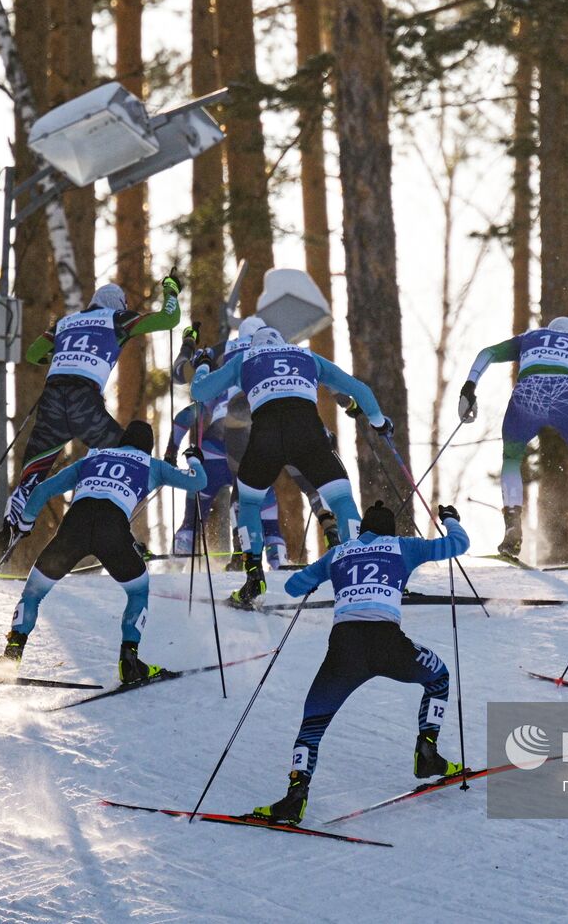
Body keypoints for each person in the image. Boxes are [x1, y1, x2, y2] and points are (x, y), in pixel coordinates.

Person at [246, 501, 470, 823]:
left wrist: (316, 578)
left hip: (344, 649)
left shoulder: (339, 553)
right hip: (389, 645)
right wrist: (450, 519)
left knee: (312, 723)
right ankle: (428, 751)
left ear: (362, 528)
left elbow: (293, 587)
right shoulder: (402, 546)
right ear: (389, 530)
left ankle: (296, 795)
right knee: (438, 677)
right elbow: (458, 544)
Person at [0, 421, 208, 683]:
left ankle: (11, 657)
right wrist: (194, 459)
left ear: (122, 442)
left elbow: (42, 490)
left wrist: (25, 524)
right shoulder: (152, 464)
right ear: (148, 447)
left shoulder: (95, 456)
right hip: (111, 530)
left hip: (74, 527)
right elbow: (198, 482)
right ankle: (129, 661)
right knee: (137, 590)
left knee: (33, 592)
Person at [191, 326, 389, 608]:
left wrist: (201, 365)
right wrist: (379, 421)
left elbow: (199, 391)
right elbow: (360, 390)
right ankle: (358, 568)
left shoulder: (245, 358)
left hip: (266, 435)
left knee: (248, 501)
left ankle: (253, 574)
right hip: (307, 432)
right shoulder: (306, 355)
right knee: (341, 497)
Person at [0, 275, 182, 546]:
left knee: (34, 470)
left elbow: (34, 354)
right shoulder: (118, 318)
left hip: (51, 400)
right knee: (127, 457)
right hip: (83, 402)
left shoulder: (65, 323)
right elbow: (169, 320)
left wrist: (63, 354)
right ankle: (117, 532)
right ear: (119, 304)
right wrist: (171, 289)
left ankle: (13, 525)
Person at [458, 316, 568, 562]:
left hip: (527, 395)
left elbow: (488, 352)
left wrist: (469, 386)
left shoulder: (530, 337)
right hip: (566, 398)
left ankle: (512, 524)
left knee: (511, 458)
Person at [173, 316, 340, 565]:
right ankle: (316, 534)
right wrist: (325, 432)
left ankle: (207, 545)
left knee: (239, 486)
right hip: (280, 421)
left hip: (225, 426)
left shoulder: (221, 349)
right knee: (301, 480)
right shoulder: (284, 351)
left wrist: (189, 342)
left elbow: (179, 373)